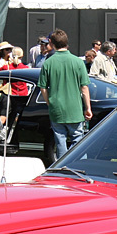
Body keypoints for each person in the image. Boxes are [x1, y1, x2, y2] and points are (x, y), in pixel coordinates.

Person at [39, 29, 91, 158]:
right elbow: (84, 88)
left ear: (52, 43)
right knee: (78, 139)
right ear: (67, 43)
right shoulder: (78, 62)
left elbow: (43, 88)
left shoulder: (48, 62)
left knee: (60, 140)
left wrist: (49, 102)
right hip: (75, 108)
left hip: (56, 107)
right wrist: (88, 108)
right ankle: (77, 165)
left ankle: (63, 166)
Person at [0, 45, 30, 130]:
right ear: (22, 56)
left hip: (12, 94)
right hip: (23, 95)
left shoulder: (8, 67)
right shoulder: (26, 68)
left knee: (11, 115)